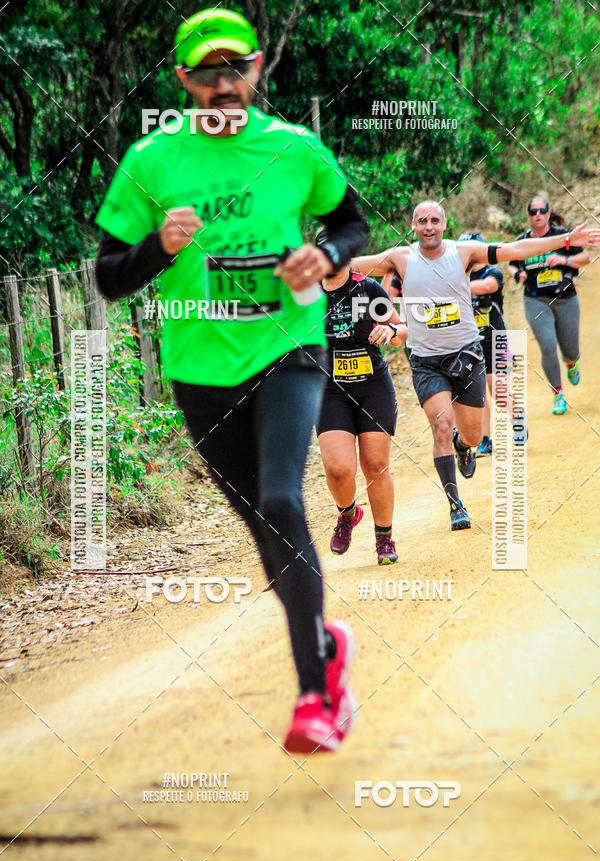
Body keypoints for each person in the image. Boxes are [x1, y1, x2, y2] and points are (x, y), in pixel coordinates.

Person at [94, 8, 370, 754]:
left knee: (284, 497)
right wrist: (159, 244)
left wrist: (326, 255)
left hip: (289, 348)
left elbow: (351, 224)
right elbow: (109, 275)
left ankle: (314, 698)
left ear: (257, 71)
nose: (225, 85)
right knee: (268, 533)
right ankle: (327, 645)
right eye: (208, 72)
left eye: (236, 69)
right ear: (184, 80)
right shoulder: (153, 161)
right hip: (198, 369)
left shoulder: (293, 148)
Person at [352, 201, 600, 530]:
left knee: (469, 435)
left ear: (444, 224)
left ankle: (463, 446)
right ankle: (455, 505)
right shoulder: (401, 258)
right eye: (422, 221)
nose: (428, 226)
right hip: (426, 361)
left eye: (435, 221)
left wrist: (565, 239)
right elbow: (354, 262)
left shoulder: (464, 252)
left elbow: (516, 248)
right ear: (412, 226)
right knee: (441, 425)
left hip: (466, 354)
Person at [315, 247, 407, 566]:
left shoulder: (367, 288)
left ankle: (384, 539)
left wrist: (390, 329)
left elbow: (402, 333)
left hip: (372, 386)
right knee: (338, 469)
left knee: (375, 465)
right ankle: (348, 514)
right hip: (329, 390)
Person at [507, 197, 590, 415]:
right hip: (535, 299)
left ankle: (571, 363)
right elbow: (511, 264)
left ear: (548, 212)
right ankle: (558, 394)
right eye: (533, 211)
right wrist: (518, 274)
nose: (537, 215)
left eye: (542, 211)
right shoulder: (522, 240)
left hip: (565, 297)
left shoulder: (562, 235)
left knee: (570, 349)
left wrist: (563, 261)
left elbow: (585, 257)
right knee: (547, 345)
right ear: (528, 215)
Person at [457, 231, 527, 456]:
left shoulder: (492, 272)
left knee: (496, 387)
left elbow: (488, 287)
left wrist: (456, 288)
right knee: (476, 394)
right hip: (467, 343)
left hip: (495, 339)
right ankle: (485, 440)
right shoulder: (456, 275)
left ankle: (517, 417)